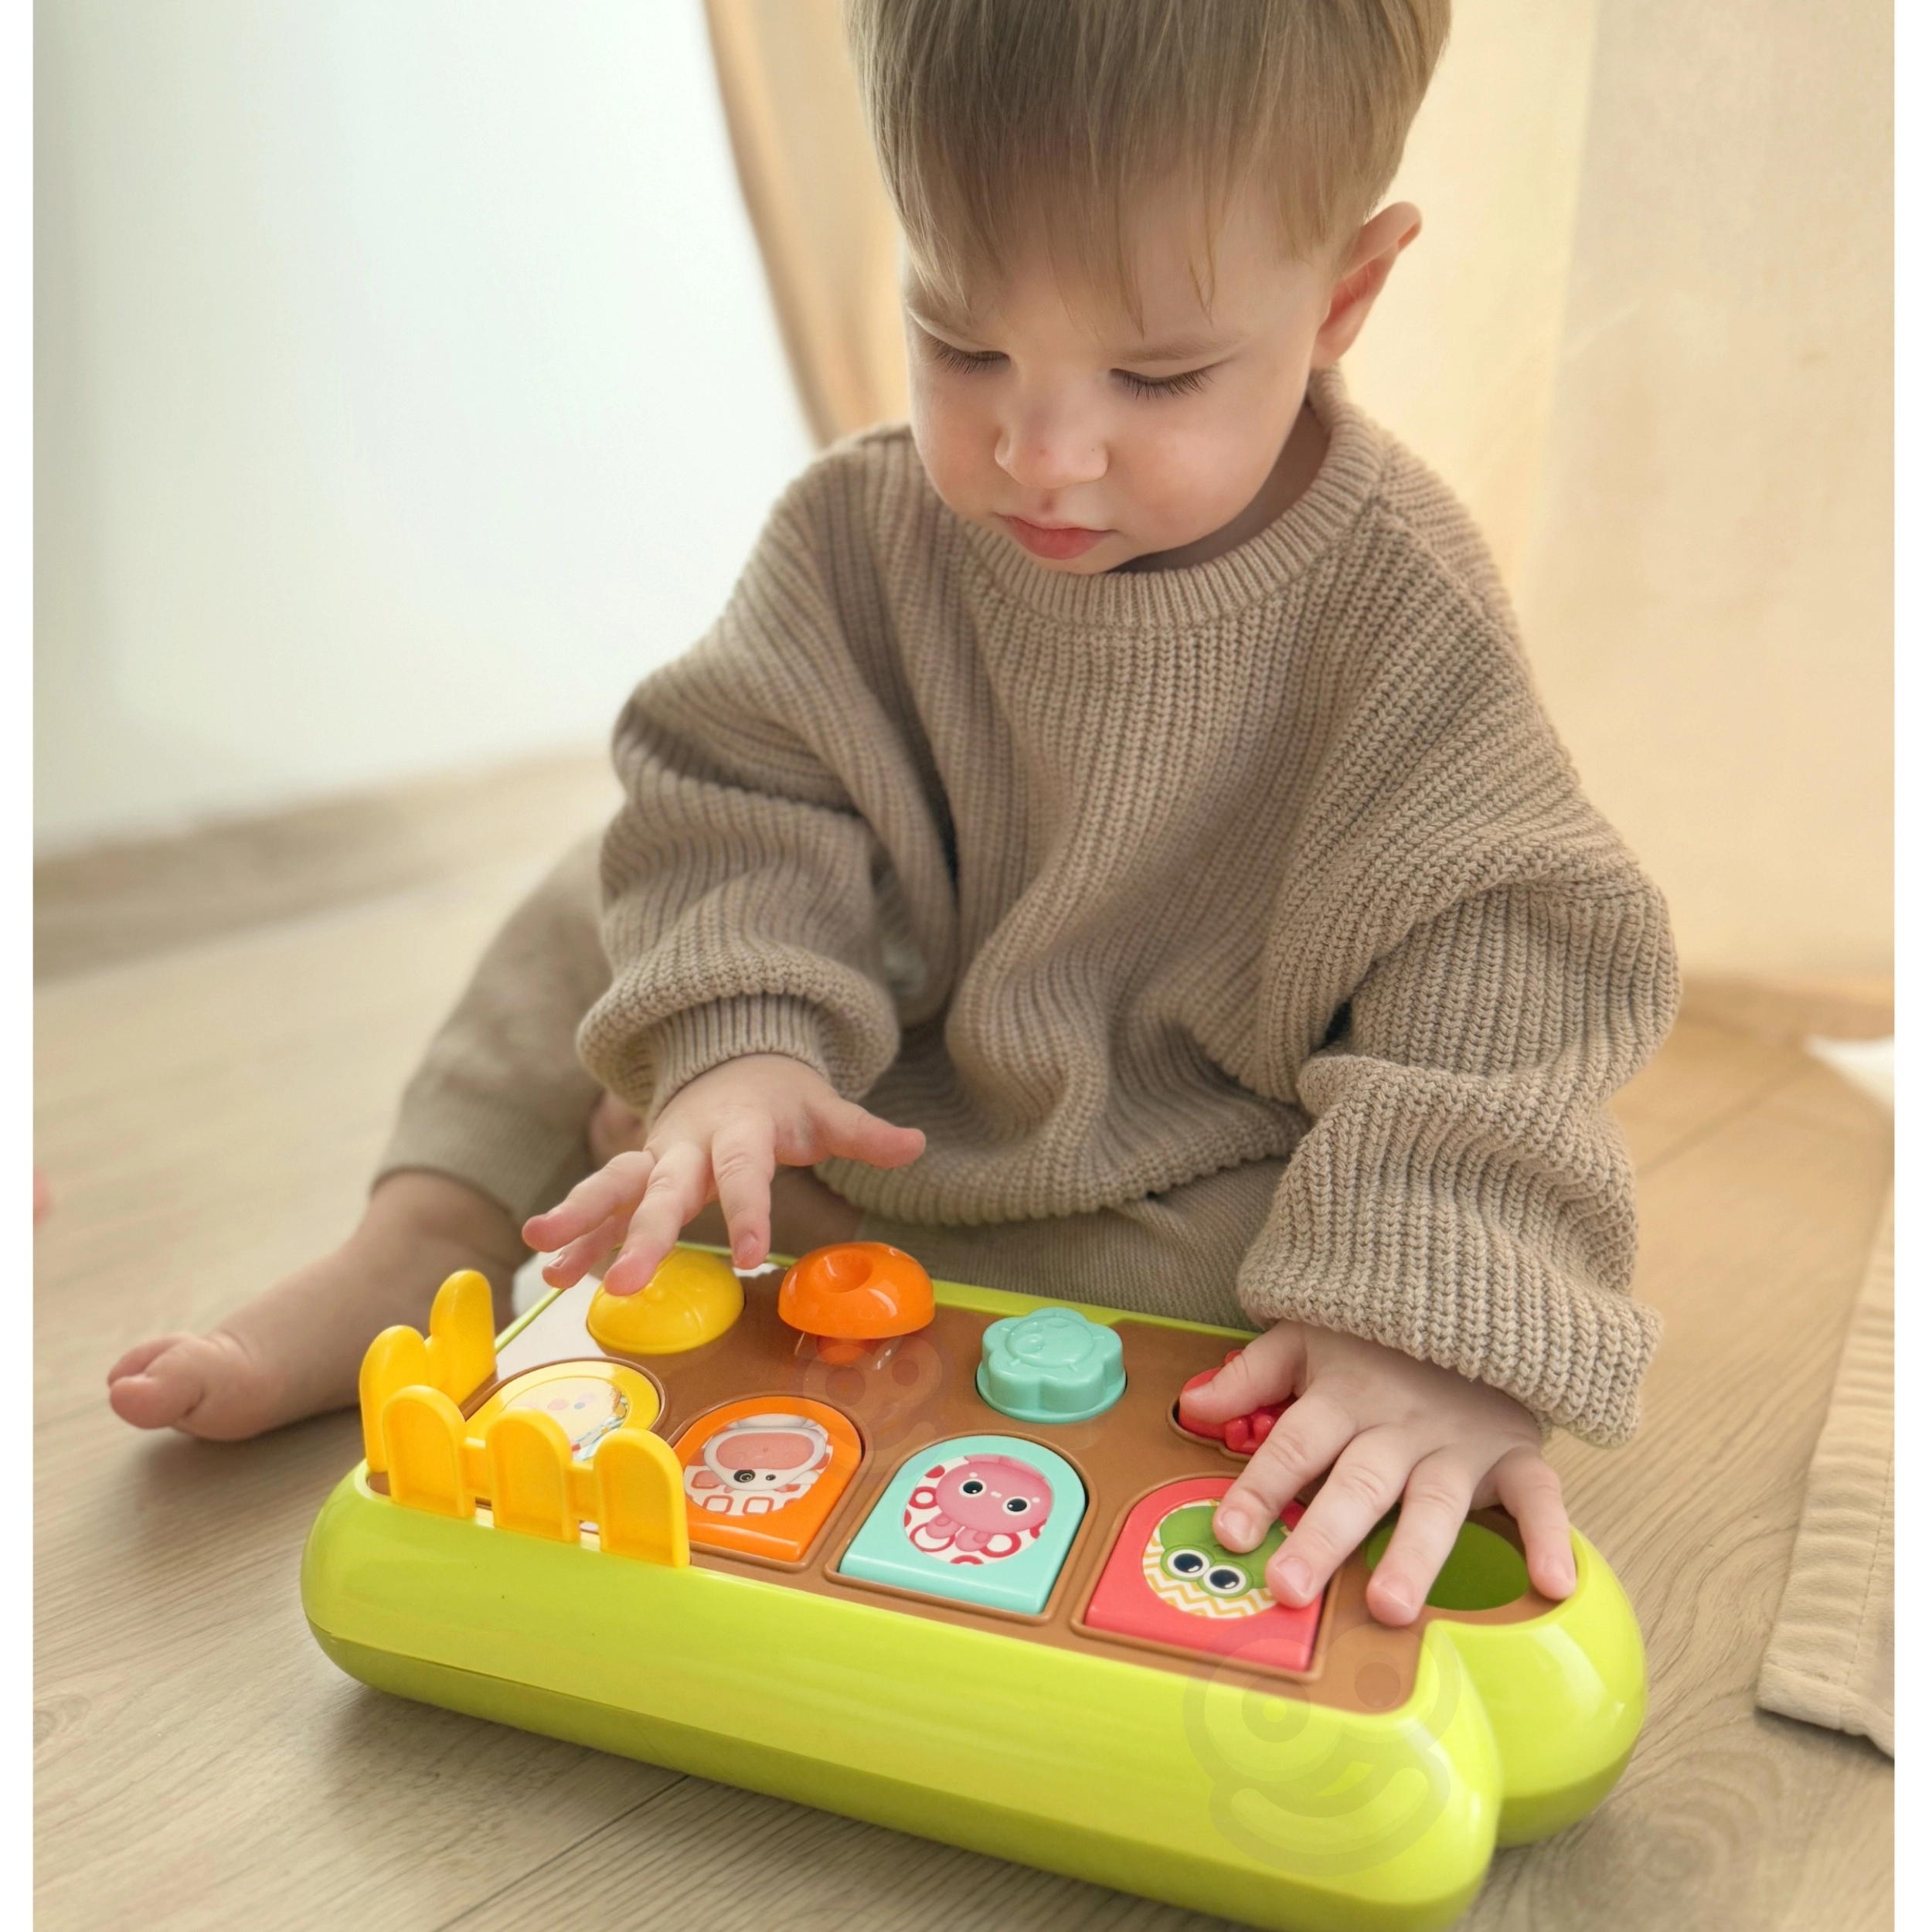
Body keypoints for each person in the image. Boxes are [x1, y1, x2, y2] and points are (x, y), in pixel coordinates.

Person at [108, 0, 1675, 1631]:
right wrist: (739, 1039)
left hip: (1167, 1163)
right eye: (961, 340)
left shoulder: (1401, 612)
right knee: (603, 887)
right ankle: (427, 1233)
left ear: (1341, 297)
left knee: (1288, 1277)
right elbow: (735, 792)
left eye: (1155, 375)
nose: (1039, 451)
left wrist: (1420, 1315)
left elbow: (1506, 965)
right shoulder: (853, 536)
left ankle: (821, 1250)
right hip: (870, 1072)